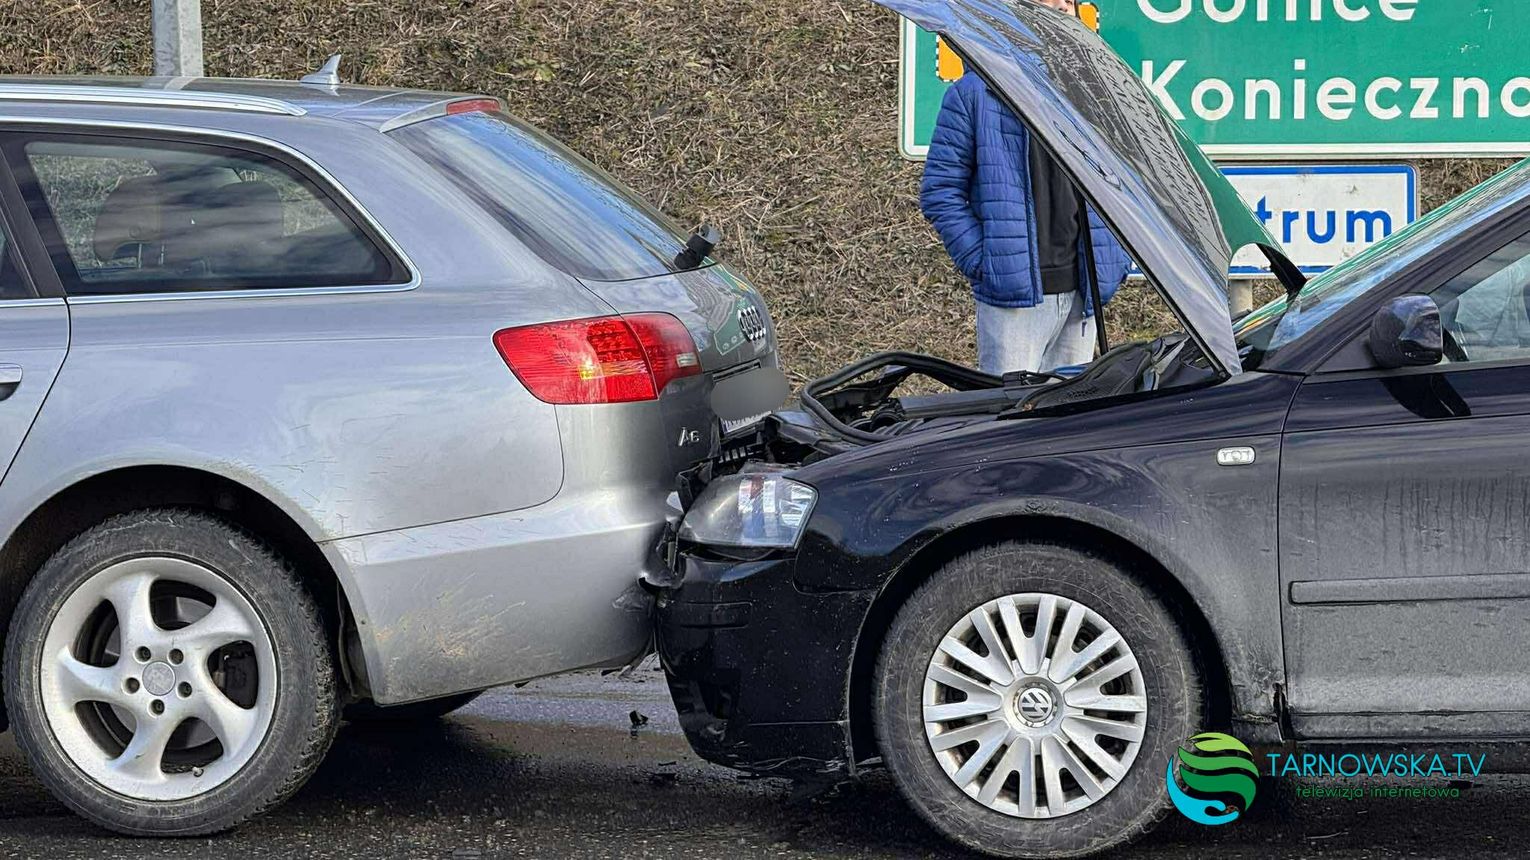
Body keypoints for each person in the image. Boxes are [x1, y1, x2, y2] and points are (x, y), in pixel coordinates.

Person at [920, 0, 1130, 376]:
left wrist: (1116, 258)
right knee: (1012, 424)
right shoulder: (975, 93)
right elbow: (940, 191)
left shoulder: (1092, 93)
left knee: (1071, 425)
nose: (1063, 6)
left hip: (1085, 289)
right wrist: (984, 262)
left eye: (1069, 1)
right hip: (1013, 302)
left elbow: (1125, 181)